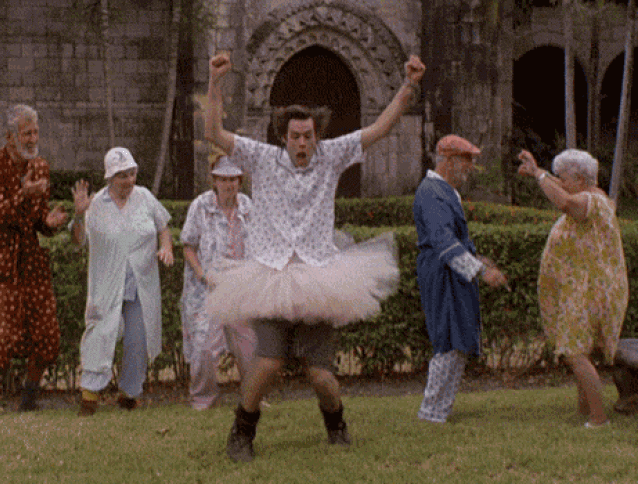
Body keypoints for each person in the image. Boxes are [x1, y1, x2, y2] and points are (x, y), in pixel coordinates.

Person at [204, 52, 425, 462]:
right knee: (268, 364)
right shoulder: (261, 158)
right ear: (283, 136)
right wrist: (216, 82)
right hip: (270, 277)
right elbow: (213, 131)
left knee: (321, 376)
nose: (302, 143)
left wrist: (408, 86)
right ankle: (241, 433)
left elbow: (380, 128)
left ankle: (336, 424)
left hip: (318, 276)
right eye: (295, 136)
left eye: (308, 136)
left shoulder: (332, 156)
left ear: (317, 136)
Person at [518, 148, 628, 428]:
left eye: (564, 177)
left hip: (588, 291)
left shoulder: (590, 201)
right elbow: (562, 188)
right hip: (584, 288)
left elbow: (565, 202)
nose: (560, 181)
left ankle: (598, 418)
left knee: (574, 352)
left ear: (580, 179)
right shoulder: (591, 194)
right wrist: (537, 171)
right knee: (580, 350)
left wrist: (539, 175)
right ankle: (585, 409)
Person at [0, 104, 68, 418]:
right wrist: (22, 195)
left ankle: (29, 396)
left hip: (31, 258)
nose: (32, 139)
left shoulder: (40, 167)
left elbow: (38, 219)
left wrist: (49, 222)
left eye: (35, 132)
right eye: (26, 133)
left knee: (46, 329)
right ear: (9, 137)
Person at [71, 147, 174, 416]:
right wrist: (79, 215)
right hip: (107, 285)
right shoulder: (95, 204)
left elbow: (163, 226)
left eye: (131, 173)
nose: (129, 180)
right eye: (122, 176)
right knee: (100, 333)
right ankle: (89, 396)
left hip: (140, 284)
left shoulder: (145, 197)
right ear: (109, 178)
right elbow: (78, 241)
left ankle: (130, 395)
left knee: (138, 339)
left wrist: (166, 247)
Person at [413, 135, 508, 424]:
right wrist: (482, 271)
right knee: (448, 339)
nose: (470, 167)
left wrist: (478, 260)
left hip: (451, 271)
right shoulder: (432, 192)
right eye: (466, 160)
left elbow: (452, 239)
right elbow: (443, 241)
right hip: (442, 273)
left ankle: (440, 409)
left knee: (458, 340)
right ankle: (431, 412)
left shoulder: (444, 191)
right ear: (448, 160)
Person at [180, 153, 257, 410]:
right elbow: (188, 246)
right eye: (223, 179)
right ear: (214, 180)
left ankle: (253, 398)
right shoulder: (200, 206)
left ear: (240, 181)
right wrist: (203, 275)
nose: (228, 184)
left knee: (249, 348)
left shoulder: (248, 207)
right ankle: (203, 399)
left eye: (233, 179)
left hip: (241, 289)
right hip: (207, 289)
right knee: (203, 347)